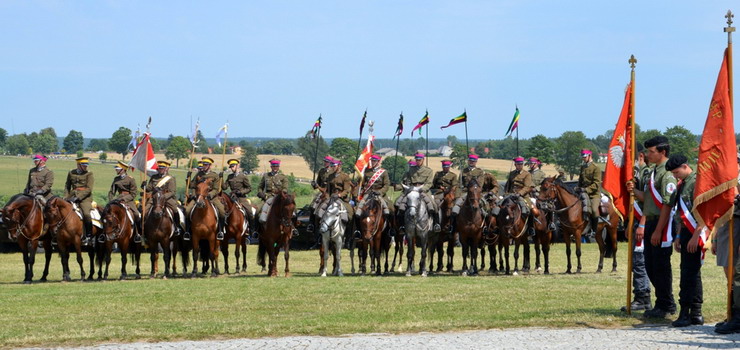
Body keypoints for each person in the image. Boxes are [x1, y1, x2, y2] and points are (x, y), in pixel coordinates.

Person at [638, 136, 677, 318]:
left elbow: (667, 205)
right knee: (651, 265)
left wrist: (658, 230)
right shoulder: (654, 171)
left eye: (651, 151)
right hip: (652, 221)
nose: (648, 155)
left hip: (662, 223)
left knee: (660, 266)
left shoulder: (667, 173)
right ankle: (662, 302)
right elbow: (649, 199)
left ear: (662, 152)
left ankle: (666, 304)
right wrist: (633, 191)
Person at [665, 155, 703, 327]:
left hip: (696, 232)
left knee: (689, 273)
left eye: (676, 172)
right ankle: (695, 313)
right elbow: (680, 212)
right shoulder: (682, 185)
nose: (675, 176)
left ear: (685, 166)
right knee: (691, 272)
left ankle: (687, 312)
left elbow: (703, 212)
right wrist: (679, 235)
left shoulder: (697, 183)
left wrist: (696, 235)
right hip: (686, 232)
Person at [623, 145, 653, 312]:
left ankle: (643, 296)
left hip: (644, 221)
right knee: (637, 262)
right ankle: (641, 296)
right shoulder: (640, 173)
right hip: (636, 220)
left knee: (640, 262)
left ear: (640, 157)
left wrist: (641, 223)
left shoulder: (647, 173)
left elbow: (649, 200)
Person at [714, 153, 740, 334]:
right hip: (727, 223)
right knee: (729, 271)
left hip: (737, 222)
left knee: (737, 272)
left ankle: (737, 315)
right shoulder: (724, 180)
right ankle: (733, 312)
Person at [395, 154, 439, 232]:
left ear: (423, 160)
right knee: (399, 204)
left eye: (419, 160)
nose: (418, 161)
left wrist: (422, 189)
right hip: (412, 190)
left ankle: (436, 224)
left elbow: (429, 183)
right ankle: (401, 225)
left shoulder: (428, 171)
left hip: (423, 191)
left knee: (434, 205)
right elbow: (406, 181)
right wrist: (399, 186)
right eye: (417, 160)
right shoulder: (411, 170)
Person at [185, 156, 226, 240]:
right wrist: (188, 178)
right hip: (199, 197)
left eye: (206, 165)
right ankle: (188, 231)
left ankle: (221, 230)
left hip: (211, 198)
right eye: (203, 164)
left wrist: (210, 195)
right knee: (187, 210)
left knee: (222, 211)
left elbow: (216, 189)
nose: (204, 166)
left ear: (210, 165)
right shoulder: (199, 174)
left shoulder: (214, 175)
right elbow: (192, 185)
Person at [143, 161, 185, 238]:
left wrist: (162, 197)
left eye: (162, 168)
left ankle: (176, 228)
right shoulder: (154, 177)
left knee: (175, 210)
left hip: (167, 198)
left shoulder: (170, 178)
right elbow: (149, 188)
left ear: (165, 169)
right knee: (144, 211)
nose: (160, 169)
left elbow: (172, 192)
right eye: (159, 168)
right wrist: (144, 186)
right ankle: (144, 230)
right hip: (154, 198)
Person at [450, 154, 487, 240]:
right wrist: (457, 196)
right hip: (464, 193)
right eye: (470, 160)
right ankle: (453, 227)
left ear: (476, 162)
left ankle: (486, 228)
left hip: (475, 194)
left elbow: (480, 185)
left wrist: (476, 192)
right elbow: (459, 184)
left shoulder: (480, 172)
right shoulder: (464, 171)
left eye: (473, 161)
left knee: (485, 208)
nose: (471, 162)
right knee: (455, 209)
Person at [355, 154, 392, 237]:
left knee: (391, 208)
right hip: (368, 194)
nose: (372, 162)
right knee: (358, 209)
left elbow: (386, 185)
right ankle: (358, 230)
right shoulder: (367, 171)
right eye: (372, 160)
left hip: (380, 194)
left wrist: (380, 192)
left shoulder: (383, 172)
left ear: (378, 162)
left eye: (374, 161)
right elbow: (362, 183)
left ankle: (390, 229)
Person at [107, 161, 142, 243]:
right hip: (117, 199)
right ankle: (105, 233)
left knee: (137, 214)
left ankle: (138, 233)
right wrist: (111, 200)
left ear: (123, 170)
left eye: (118, 169)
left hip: (128, 200)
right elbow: (112, 192)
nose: (116, 170)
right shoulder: (116, 179)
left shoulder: (130, 179)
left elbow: (133, 193)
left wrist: (124, 199)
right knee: (107, 213)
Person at [65, 157, 95, 246]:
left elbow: (89, 189)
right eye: (83, 165)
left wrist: (78, 197)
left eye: (86, 165)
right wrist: (66, 197)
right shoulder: (71, 173)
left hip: (84, 198)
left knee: (86, 213)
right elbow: (67, 186)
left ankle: (89, 236)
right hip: (71, 196)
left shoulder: (89, 174)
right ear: (78, 165)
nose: (86, 167)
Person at [316, 159, 354, 227]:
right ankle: (318, 230)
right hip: (331, 197)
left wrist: (339, 195)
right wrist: (327, 196)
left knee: (350, 213)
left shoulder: (345, 176)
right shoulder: (330, 176)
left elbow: (346, 190)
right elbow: (327, 189)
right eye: (331, 166)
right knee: (319, 211)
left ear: (339, 166)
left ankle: (349, 234)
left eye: (334, 166)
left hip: (342, 198)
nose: (332, 167)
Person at [503, 157, 534, 235]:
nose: (520, 165)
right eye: (518, 164)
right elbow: (508, 185)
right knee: (499, 207)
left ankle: (531, 228)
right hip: (510, 195)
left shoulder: (527, 174)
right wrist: (506, 193)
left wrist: (520, 193)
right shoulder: (512, 173)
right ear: (515, 164)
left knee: (530, 210)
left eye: (521, 164)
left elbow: (527, 187)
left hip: (523, 196)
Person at [578, 149, 605, 237]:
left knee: (593, 210)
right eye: (582, 157)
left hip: (593, 194)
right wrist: (578, 188)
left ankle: (594, 229)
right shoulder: (582, 167)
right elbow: (580, 181)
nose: (583, 159)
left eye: (585, 157)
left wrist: (586, 189)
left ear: (590, 156)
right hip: (583, 193)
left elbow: (596, 184)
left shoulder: (596, 167)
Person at [257, 159, 290, 229]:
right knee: (257, 211)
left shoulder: (283, 177)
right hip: (267, 197)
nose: (275, 168)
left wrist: (281, 193)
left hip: (279, 197)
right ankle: (256, 230)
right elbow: (260, 187)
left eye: (276, 166)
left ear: (278, 167)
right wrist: (260, 193)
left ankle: (292, 229)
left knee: (291, 211)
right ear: (271, 167)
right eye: (273, 166)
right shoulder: (266, 176)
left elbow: (285, 188)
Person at [221, 158, 254, 226]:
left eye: (233, 166)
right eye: (231, 167)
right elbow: (224, 187)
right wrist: (221, 179)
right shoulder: (230, 176)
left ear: (237, 166)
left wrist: (241, 192)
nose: (232, 168)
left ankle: (252, 230)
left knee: (250, 211)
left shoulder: (243, 176)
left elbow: (249, 188)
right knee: (222, 211)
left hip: (241, 198)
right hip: (232, 197)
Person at [307, 156, 334, 234]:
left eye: (327, 162)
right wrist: (314, 184)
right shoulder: (321, 171)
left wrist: (319, 187)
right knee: (312, 206)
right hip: (321, 192)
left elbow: (327, 187)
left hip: (330, 192)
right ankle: (311, 224)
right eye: (324, 161)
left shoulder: (332, 172)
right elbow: (318, 184)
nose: (325, 163)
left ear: (330, 163)